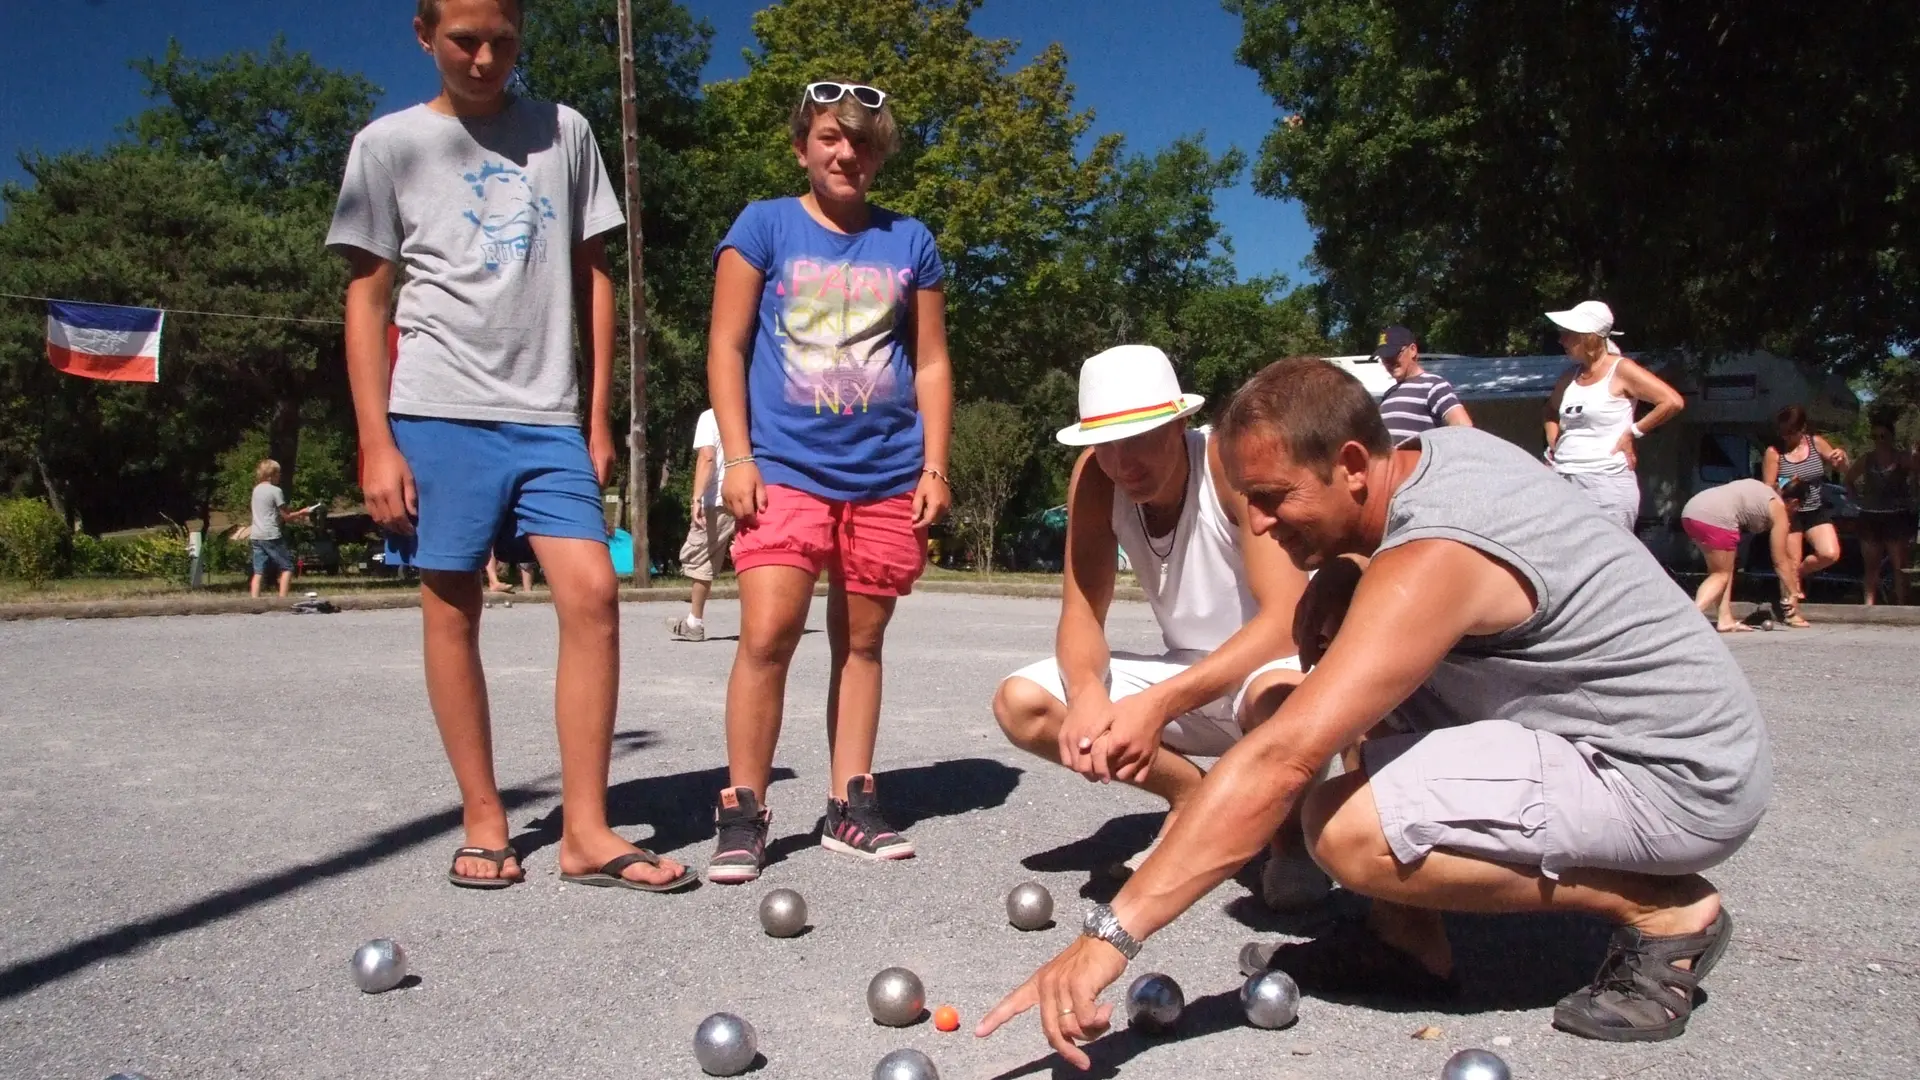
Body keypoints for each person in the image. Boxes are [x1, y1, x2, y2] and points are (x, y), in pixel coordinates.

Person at [980, 358, 1769, 1064]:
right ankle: (1408, 943)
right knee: (1349, 669)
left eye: (1271, 499)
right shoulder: (1434, 458)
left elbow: (1282, 756)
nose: (1254, 524)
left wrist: (1109, 939)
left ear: (1352, 464)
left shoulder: (1432, 556)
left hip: (1670, 775)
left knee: (1343, 831)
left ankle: (1666, 910)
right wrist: (1347, 570)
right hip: (1627, 737)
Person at [327, 0, 689, 892]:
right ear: (423, 36)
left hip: (546, 416)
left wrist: (596, 417)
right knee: (453, 606)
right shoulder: (389, 145)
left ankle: (587, 832)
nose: (485, 58)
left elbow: (596, 275)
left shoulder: (562, 133)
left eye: (502, 41)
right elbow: (368, 300)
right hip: (437, 410)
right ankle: (484, 815)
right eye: (463, 41)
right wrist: (375, 440)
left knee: (593, 592)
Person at [703, 80, 953, 884]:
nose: (846, 154)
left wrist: (935, 465)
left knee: (864, 641)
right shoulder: (764, 225)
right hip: (783, 466)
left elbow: (935, 362)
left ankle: (851, 801)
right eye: (830, 139)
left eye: (863, 143)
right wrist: (737, 458)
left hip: (884, 471)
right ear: (803, 145)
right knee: (769, 632)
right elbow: (726, 347)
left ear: (880, 155)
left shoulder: (909, 241)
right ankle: (743, 807)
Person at [991, 344, 1322, 907]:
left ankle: (1288, 840)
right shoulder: (1095, 477)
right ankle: (1190, 795)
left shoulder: (1228, 462)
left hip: (1272, 669)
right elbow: (1080, 614)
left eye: (1139, 437)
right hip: (1189, 673)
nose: (1123, 463)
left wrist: (1158, 705)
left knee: (1281, 696)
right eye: (1106, 444)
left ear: (1180, 421)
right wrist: (1089, 692)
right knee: (1022, 702)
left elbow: (1286, 622)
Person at [1543, 301, 1684, 533]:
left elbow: (1671, 401)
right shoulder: (1570, 377)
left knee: (1607, 557)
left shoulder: (1621, 369)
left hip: (1605, 482)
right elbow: (1549, 410)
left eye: (1568, 334)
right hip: (1564, 479)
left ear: (1588, 337)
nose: (1561, 340)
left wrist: (1633, 432)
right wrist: (1553, 438)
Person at [1680, 477, 1801, 631]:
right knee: (1720, 575)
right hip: (1718, 517)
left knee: (1723, 571)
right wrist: (1793, 591)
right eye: (1798, 509)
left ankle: (1725, 619)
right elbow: (1780, 560)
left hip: (1691, 511)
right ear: (1795, 503)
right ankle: (1690, 616)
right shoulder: (1778, 508)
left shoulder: (1762, 489)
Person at [1761, 404, 1848, 614]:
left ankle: (1799, 574)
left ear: (1802, 429)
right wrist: (1786, 485)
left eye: (1791, 432)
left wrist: (1841, 458)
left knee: (1830, 553)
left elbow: (1842, 468)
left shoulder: (1816, 443)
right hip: (1789, 512)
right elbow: (1767, 489)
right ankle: (1791, 611)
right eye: (1783, 432)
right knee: (1790, 559)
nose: (1786, 437)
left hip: (1814, 508)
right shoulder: (1774, 452)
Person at [670, 407, 733, 641]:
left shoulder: (710, 416)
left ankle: (694, 623)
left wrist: (696, 498)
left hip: (718, 498)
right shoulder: (750, 412)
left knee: (698, 557)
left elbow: (707, 457)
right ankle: (694, 621)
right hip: (749, 493)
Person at [1845, 418, 1913, 606]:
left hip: (1896, 515)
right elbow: (1849, 478)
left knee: (1899, 565)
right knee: (1871, 566)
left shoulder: (1902, 458)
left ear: (1891, 437)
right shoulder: (1867, 459)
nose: (1879, 441)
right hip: (1870, 515)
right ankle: (1869, 605)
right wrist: (1855, 500)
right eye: (1875, 437)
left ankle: (1902, 606)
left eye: (1883, 436)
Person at [1372, 325, 1471, 444]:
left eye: (1394, 354)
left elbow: (1463, 427)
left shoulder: (1434, 385)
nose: (1389, 361)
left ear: (1413, 350)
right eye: (1384, 357)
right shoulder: (1388, 395)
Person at [248, 459, 312, 598]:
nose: (280, 477)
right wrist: (302, 512)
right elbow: (286, 516)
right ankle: (282, 600)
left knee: (258, 571)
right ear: (272, 475)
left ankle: (254, 601)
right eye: (278, 474)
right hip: (271, 534)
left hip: (256, 534)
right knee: (287, 567)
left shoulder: (256, 490)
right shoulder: (276, 491)